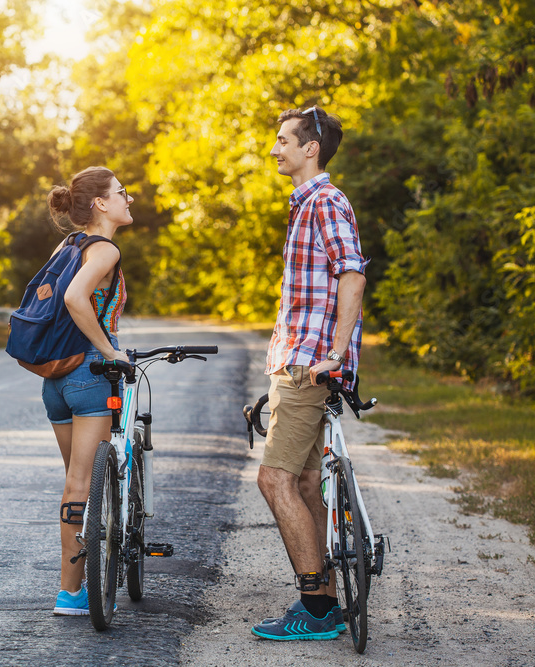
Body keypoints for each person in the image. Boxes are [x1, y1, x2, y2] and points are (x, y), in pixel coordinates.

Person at [251, 107, 369, 641]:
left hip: (310, 365)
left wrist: (336, 353)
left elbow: (352, 275)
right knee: (300, 481)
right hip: (296, 362)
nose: (274, 149)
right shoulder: (306, 206)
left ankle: (315, 609)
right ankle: (324, 599)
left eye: (282, 140)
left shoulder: (325, 202)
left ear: (310, 147)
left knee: (272, 479)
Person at [42, 166, 133, 615]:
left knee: (76, 485)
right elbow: (75, 299)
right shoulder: (104, 250)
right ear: (100, 203)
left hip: (55, 381)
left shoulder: (67, 244)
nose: (127, 199)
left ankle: (70, 590)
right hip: (90, 375)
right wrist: (109, 352)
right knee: (83, 485)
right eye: (121, 192)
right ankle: (69, 594)